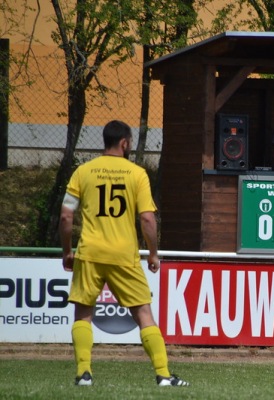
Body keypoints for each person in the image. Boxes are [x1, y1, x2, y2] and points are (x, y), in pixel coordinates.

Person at [59, 120, 189, 387]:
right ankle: (163, 375)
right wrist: (153, 254)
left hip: (90, 253)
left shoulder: (83, 172)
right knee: (143, 314)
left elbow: (65, 216)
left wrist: (67, 251)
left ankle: (84, 373)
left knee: (84, 313)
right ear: (125, 143)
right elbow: (148, 219)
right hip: (123, 255)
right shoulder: (136, 173)